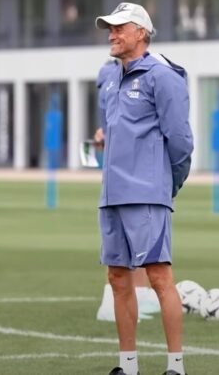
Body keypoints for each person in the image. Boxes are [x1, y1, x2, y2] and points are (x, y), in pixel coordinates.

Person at [95, 2, 193, 375]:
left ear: (141, 33)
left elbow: (180, 141)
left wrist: (168, 185)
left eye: (119, 28)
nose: (112, 34)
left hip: (147, 194)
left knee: (158, 277)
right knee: (118, 278)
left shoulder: (163, 77)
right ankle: (128, 366)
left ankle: (175, 367)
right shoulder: (110, 77)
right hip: (112, 195)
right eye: (110, 28)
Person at [94, 60, 162, 323]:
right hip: (121, 167)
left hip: (138, 165)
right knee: (119, 240)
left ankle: (141, 293)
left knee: (143, 233)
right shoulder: (111, 75)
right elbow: (110, 118)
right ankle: (109, 301)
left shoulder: (144, 71)